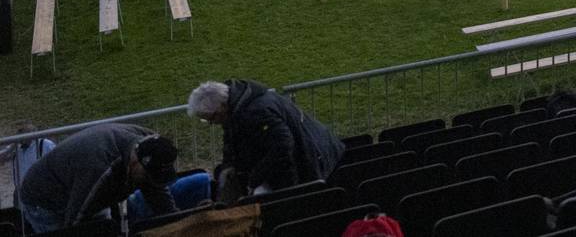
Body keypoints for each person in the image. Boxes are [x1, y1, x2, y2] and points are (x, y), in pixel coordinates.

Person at [188, 80, 344, 199]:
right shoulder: (237, 106)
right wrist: (227, 167)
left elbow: (282, 147)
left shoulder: (256, 112)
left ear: (222, 107)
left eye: (211, 118)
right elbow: (232, 142)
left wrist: (255, 179)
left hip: (314, 157)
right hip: (309, 152)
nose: (212, 123)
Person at [15, 124, 177, 233]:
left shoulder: (151, 145)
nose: (150, 180)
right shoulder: (99, 170)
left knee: (104, 228)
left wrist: (178, 224)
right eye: (147, 175)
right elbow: (75, 225)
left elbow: (159, 195)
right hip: (44, 200)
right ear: (134, 163)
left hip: (83, 186)